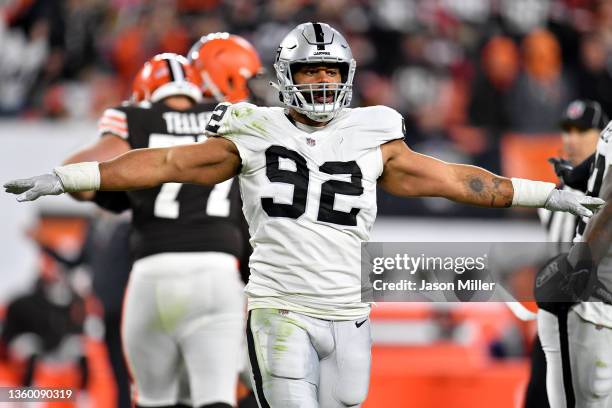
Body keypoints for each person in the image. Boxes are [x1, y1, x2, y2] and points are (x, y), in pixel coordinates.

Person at [4, 22, 605, 408]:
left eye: (331, 72)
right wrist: (70, 176)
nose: (321, 83)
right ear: (286, 78)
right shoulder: (251, 128)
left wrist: (548, 195)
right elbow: (166, 163)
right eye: (309, 71)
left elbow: (458, 180)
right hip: (280, 309)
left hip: (349, 311)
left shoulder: (374, 133)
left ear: (347, 79)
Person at [55, 45, 260, 408]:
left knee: (154, 399)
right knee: (217, 397)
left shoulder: (133, 118)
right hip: (218, 273)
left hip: (152, 273)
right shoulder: (232, 118)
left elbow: (82, 179)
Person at [525, 99, 607, 408]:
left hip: (597, 319)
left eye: (581, 130)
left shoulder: (603, 189)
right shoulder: (557, 190)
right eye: (567, 130)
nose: (571, 138)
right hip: (555, 314)